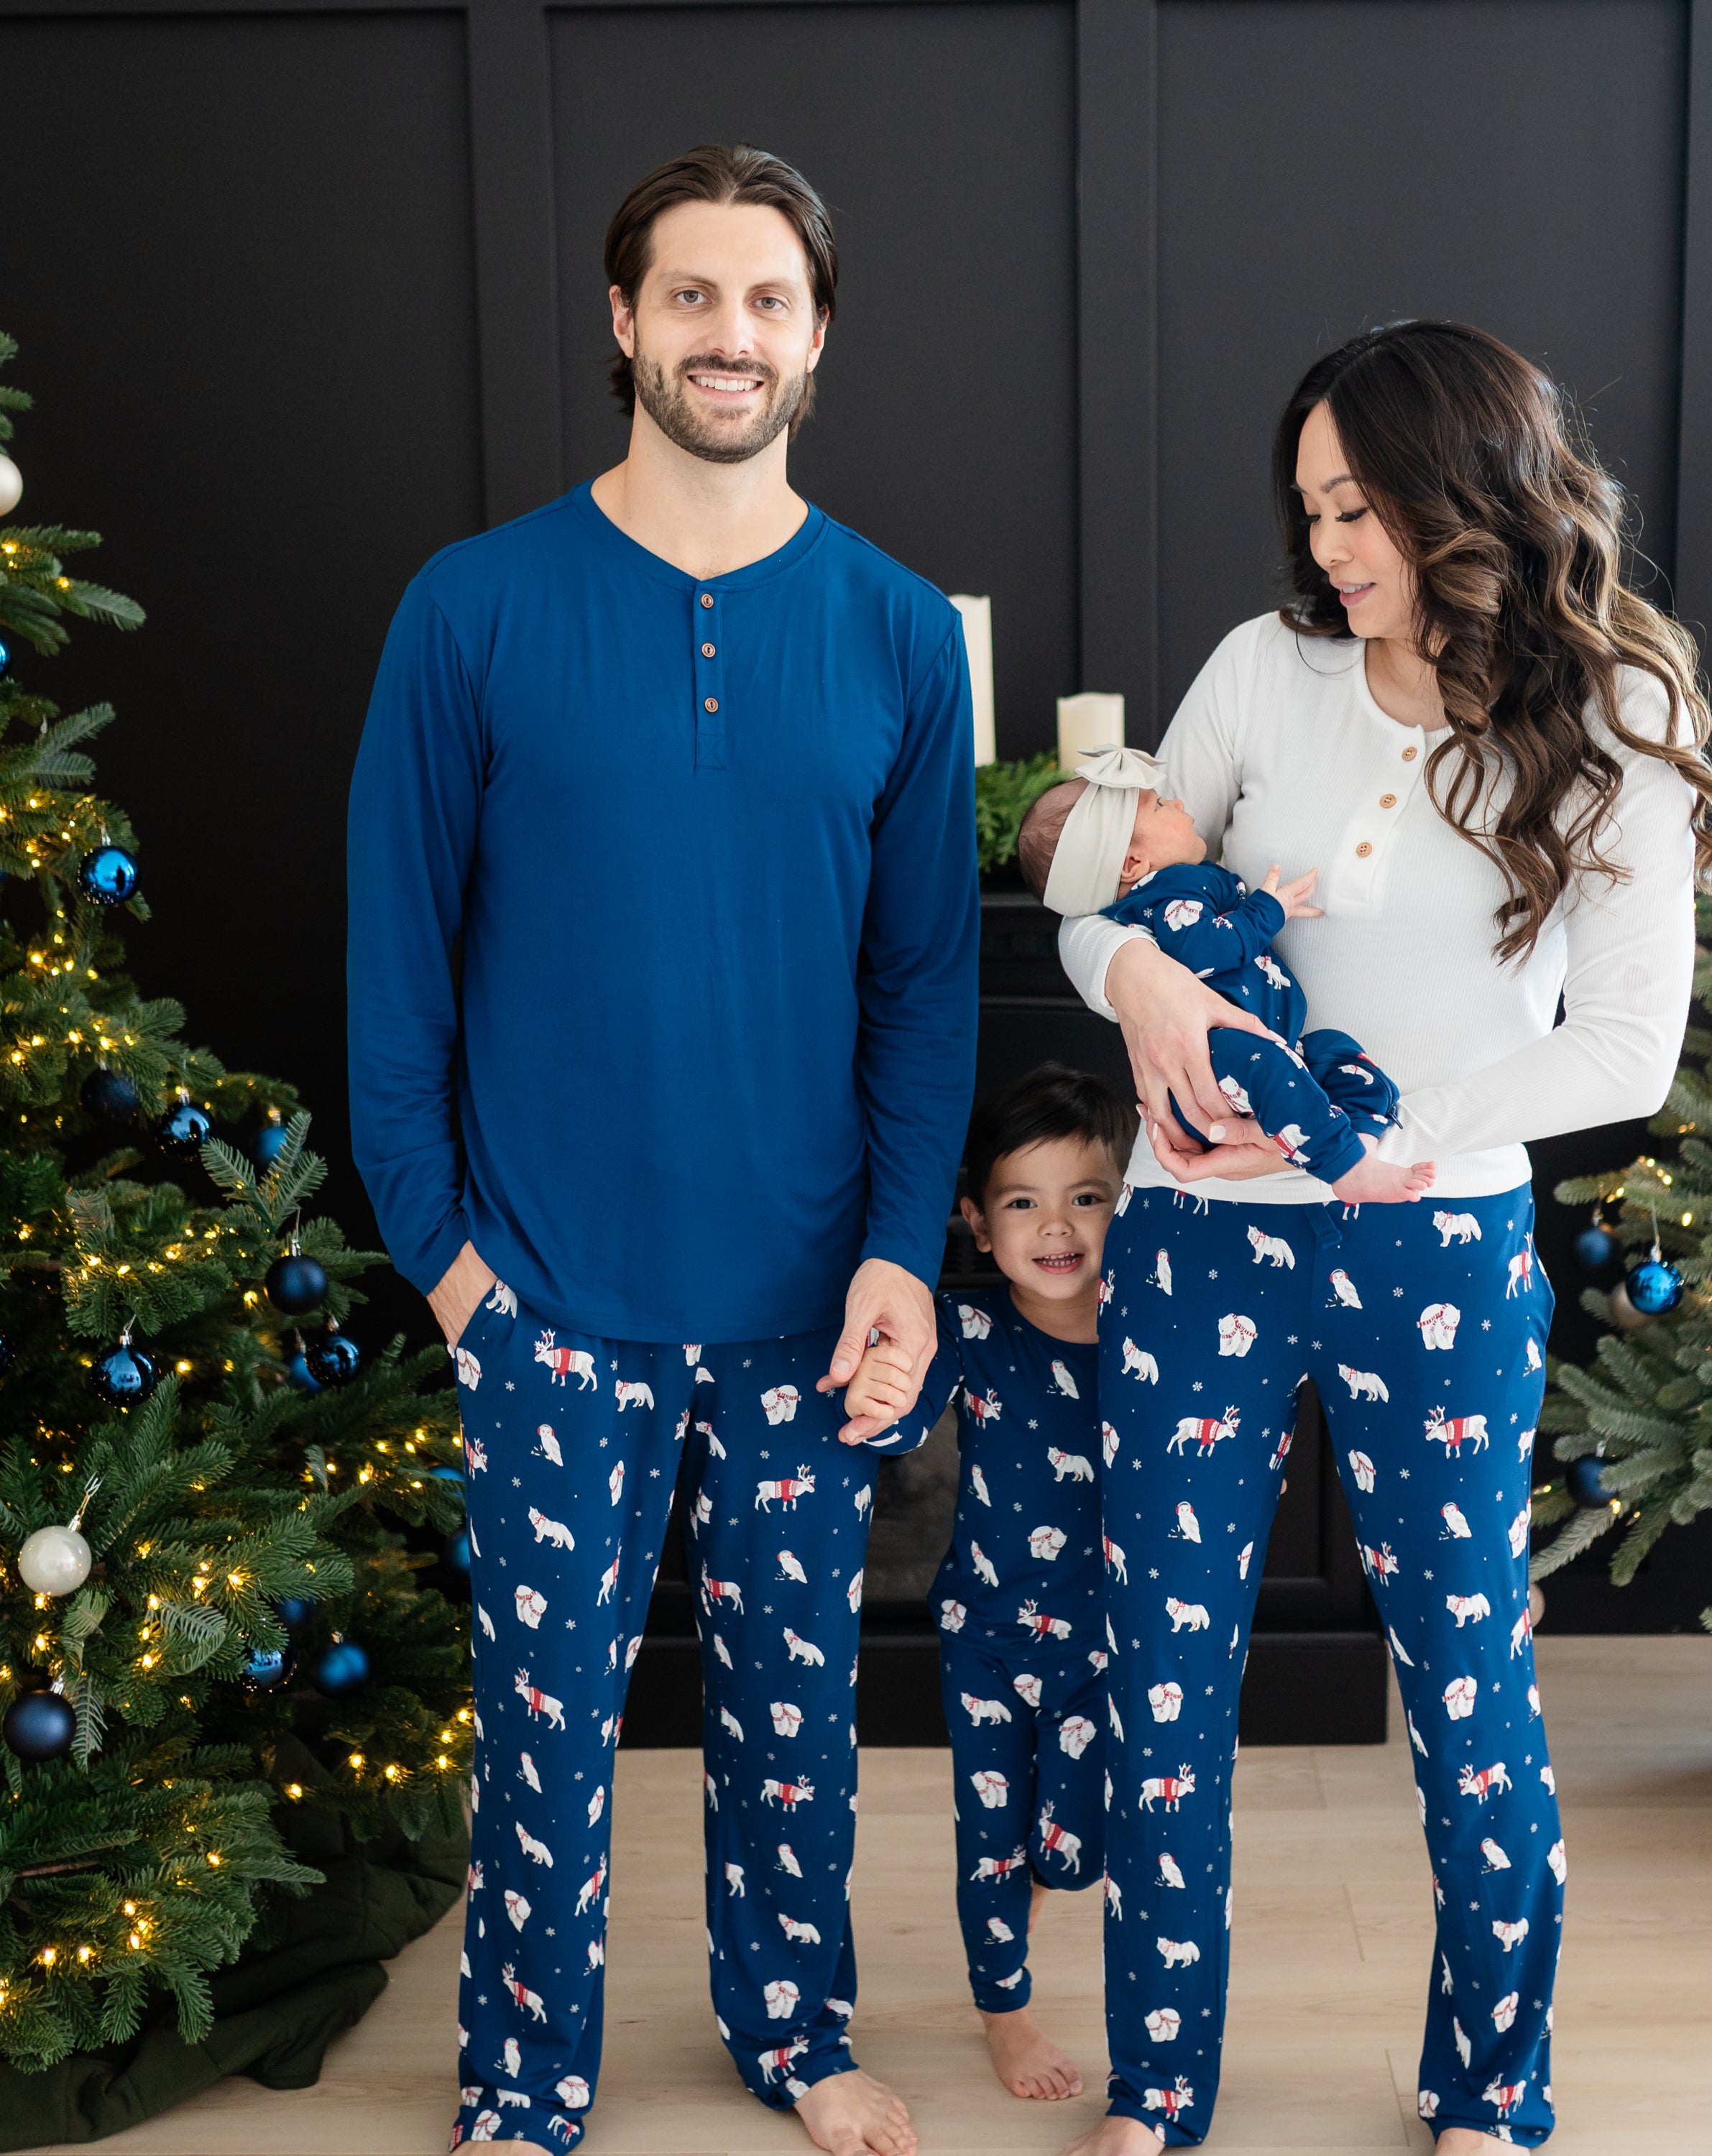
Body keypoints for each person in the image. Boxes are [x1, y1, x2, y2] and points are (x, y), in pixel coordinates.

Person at [1049, 322, 1712, 2156]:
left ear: (1469, 497)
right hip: (1198, 1241)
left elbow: (1627, 1047)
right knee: (1166, 1663)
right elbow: (1095, 882)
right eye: (1310, 508)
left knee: (1464, 1676)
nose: (1329, 546)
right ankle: (1159, 2089)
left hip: (1432, 1252)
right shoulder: (1257, 672)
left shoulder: (1617, 729)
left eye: (1358, 505)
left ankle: (1490, 2090)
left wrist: (1402, 1145)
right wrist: (1139, 985)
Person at [345, 141, 977, 2156]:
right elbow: (393, 969)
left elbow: (924, 990)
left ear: (817, 337)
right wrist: (453, 1270)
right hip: (548, 1298)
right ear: (624, 322)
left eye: (769, 300)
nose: (731, 334)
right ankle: (525, 2085)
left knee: (797, 1728)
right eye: (692, 296)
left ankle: (793, 2033)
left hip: (805, 1294)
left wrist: (898, 1253)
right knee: (543, 1744)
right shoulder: (472, 610)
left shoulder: (891, 632)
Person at [845, 1064, 1135, 2106]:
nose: (1056, 1227)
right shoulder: (970, 1336)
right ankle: (1003, 2009)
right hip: (990, 1635)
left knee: (1073, 1844)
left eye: (1086, 1197)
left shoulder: (1159, 1334)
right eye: (1024, 1202)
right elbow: (899, 1418)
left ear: (1124, 1205)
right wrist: (880, 1390)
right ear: (978, 1222)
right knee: (991, 1834)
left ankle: (1042, 1888)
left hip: (1115, 1645)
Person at [1018, 750, 1430, 1202]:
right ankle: (1345, 1168)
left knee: (1337, 1052)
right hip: (1217, 1057)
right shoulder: (1165, 894)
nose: (1176, 804)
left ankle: (1361, 1145)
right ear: (1132, 864)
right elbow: (1204, 948)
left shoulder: (1176, 885)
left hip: (1265, 1049)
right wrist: (1268, 912)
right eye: (1158, 806)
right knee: (1280, 1071)